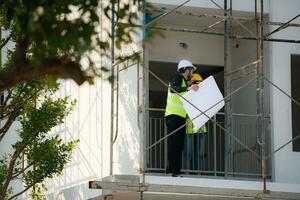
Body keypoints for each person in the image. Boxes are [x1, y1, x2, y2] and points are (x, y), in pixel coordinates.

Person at [165, 59, 198, 177]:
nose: (192, 73)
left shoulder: (184, 82)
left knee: (178, 145)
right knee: (176, 145)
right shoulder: (178, 77)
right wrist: (189, 88)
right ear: (186, 69)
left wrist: (190, 88)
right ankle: (172, 171)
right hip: (174, 116)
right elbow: (173, 89)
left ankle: (174, 171)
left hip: (178, 117)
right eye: (192, 71)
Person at [182, 73, 207, 173]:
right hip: (189, 128)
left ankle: (199, 173)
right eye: (197, 83)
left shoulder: (203, 96)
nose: (198, 86)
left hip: (201, 127)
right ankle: (186, 172)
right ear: (191, 84)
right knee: (188, 153)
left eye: (200, 83)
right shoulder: (186, 94)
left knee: (200, 153)